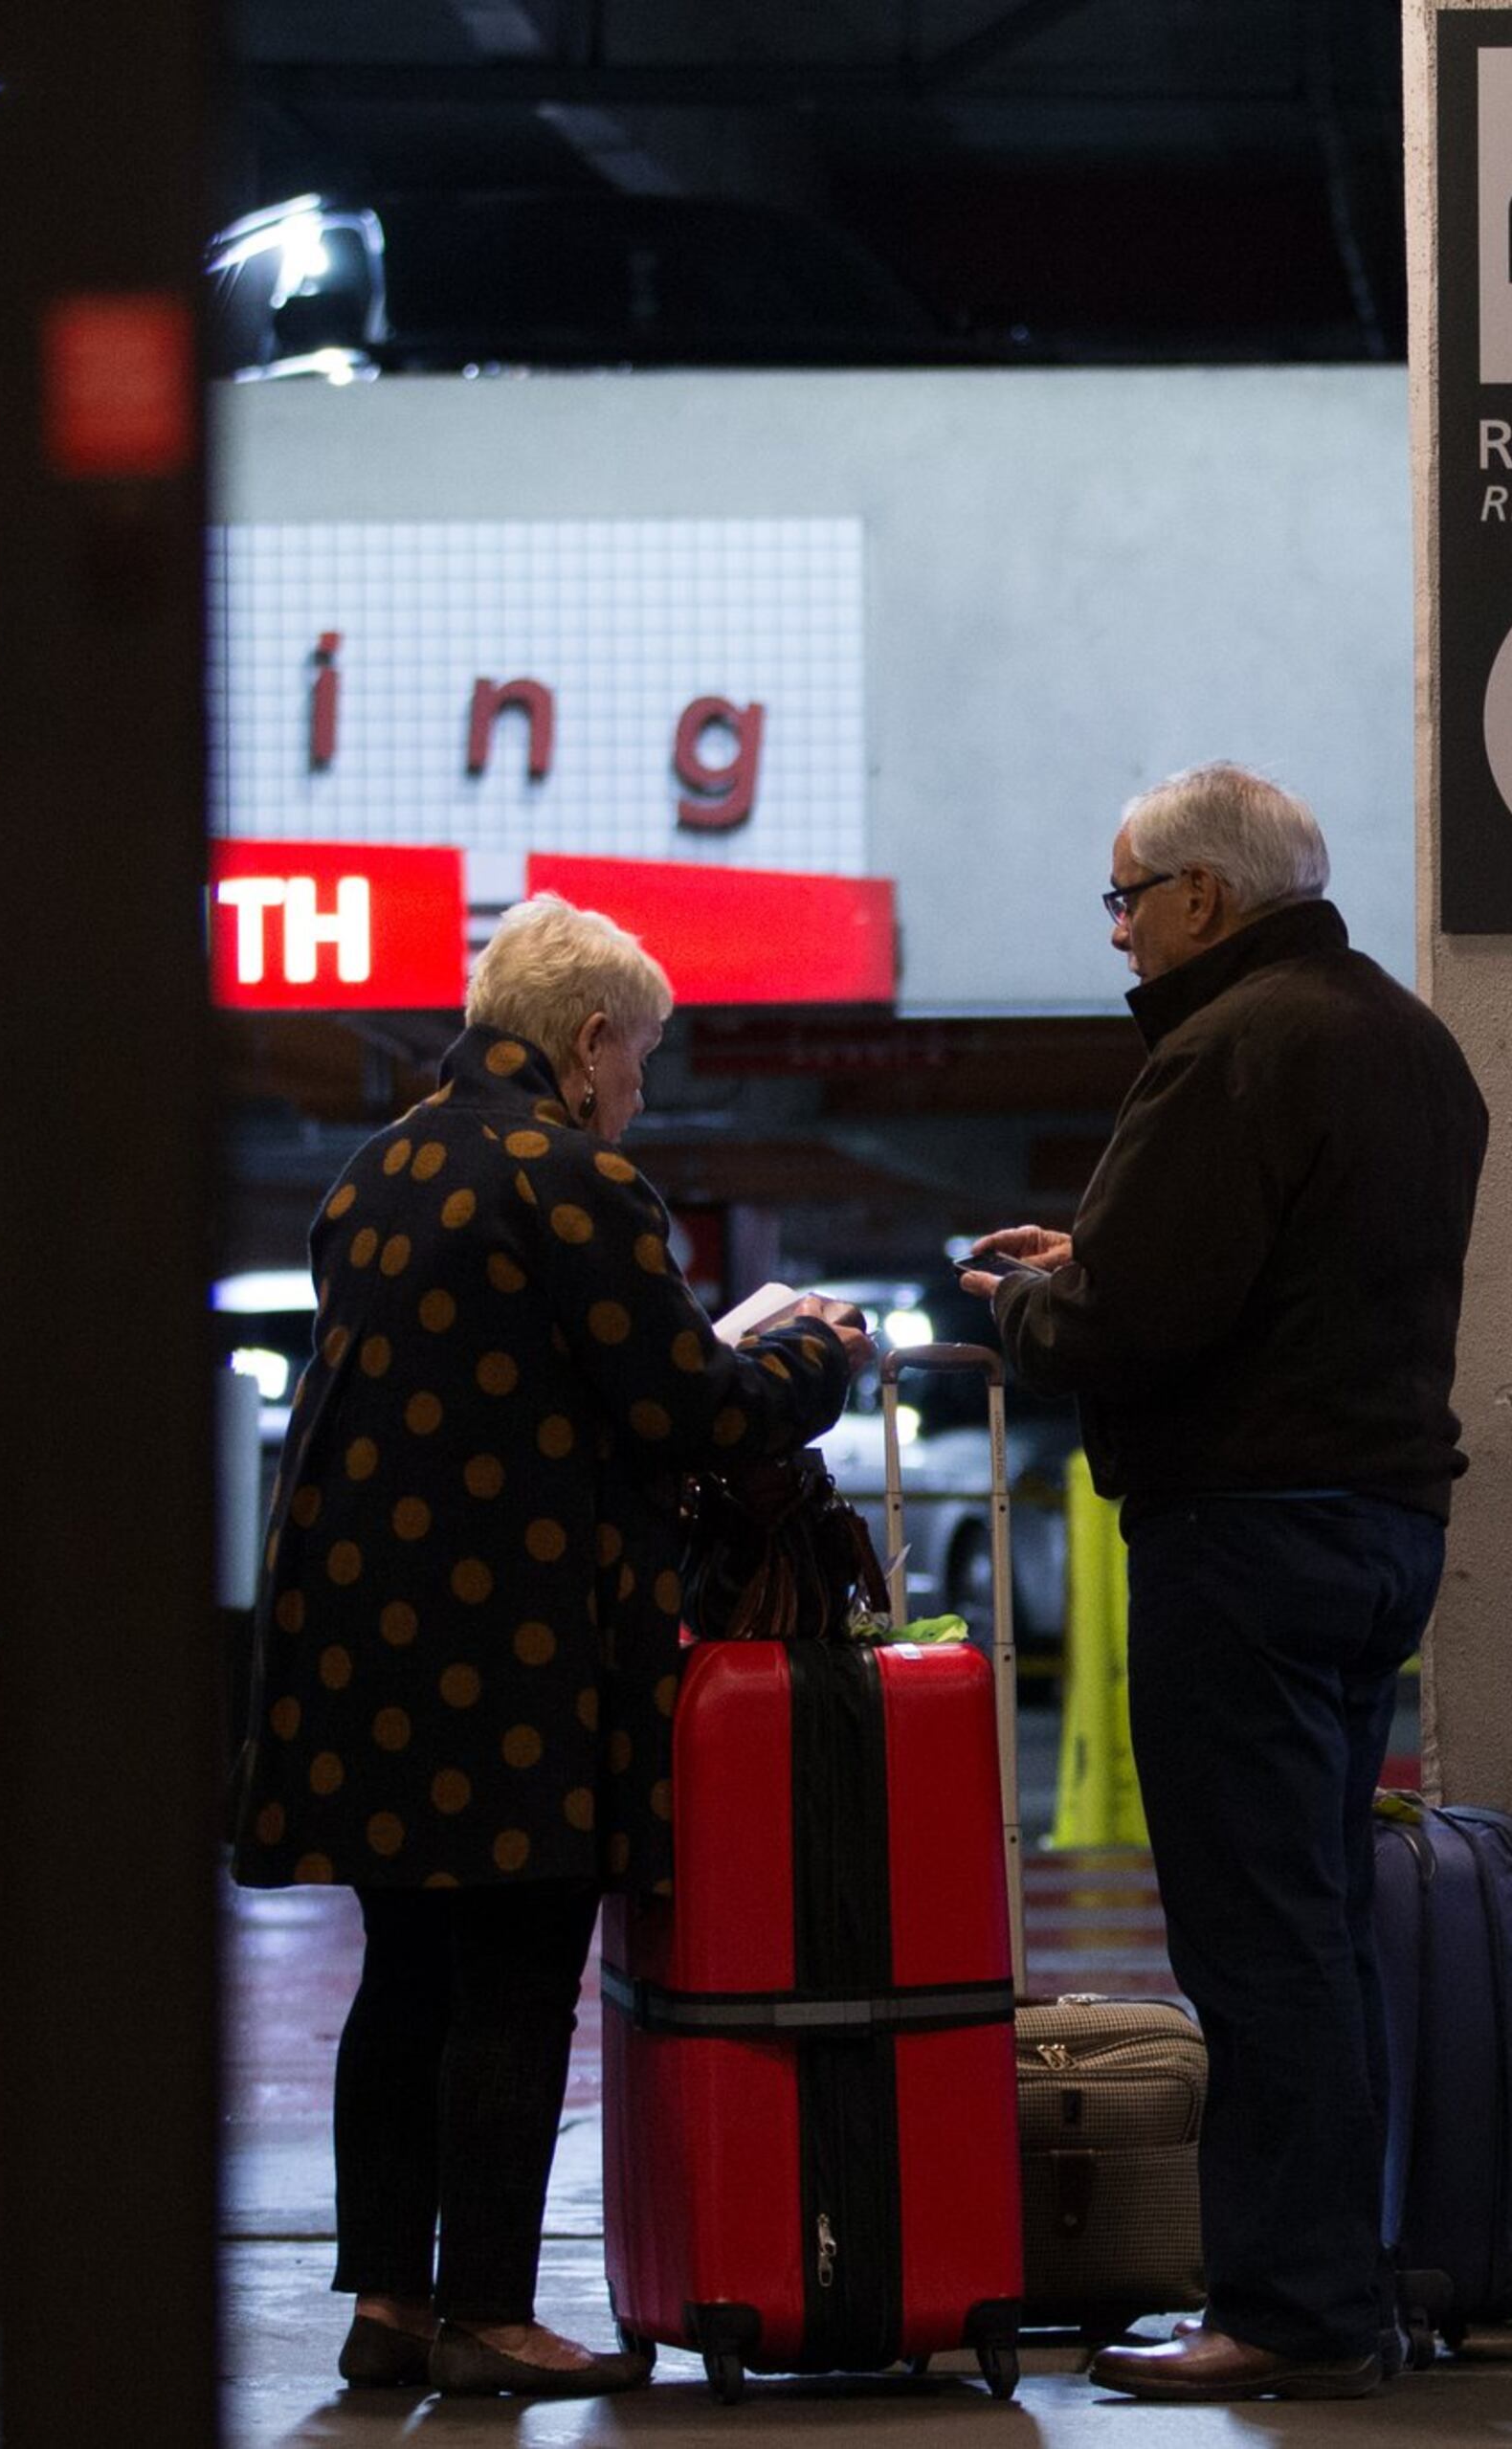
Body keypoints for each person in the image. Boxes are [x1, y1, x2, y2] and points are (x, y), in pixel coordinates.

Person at [231, 895, 873, 2400]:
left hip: (358, 1645)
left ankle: (388, 2302)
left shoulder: (373, 1170)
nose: (642, 1089)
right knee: (518, 1981)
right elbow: (689, 1410)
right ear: (587, 1044)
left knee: (404, 1975)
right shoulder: (568, 1175)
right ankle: (492, 2317)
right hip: (510, 1653)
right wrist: (814, 1355)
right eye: (641, 1058)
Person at [963, 763, 1488, 2403]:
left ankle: (1289, 2307)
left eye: (1129, 899)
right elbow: (1279, 1275)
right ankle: (1341, 2284)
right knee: (1318, 1926)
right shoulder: (1412, 1042)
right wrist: (1102, 1260)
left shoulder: (1225, 1047)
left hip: (1244, 1540)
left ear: (1206, 896)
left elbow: (1135, 1327)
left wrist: (1029, 1305)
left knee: (1257, 1943)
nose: (1119, 931)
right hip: (1381, 1530)